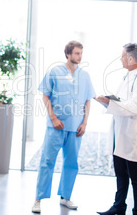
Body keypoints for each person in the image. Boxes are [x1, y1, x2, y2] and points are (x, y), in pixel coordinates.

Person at [32, 41, 95, 213]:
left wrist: (84, 123)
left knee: (72, 163)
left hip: (75, 128)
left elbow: (88, 100)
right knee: (47, 161)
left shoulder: (85, 76)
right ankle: (38, 198)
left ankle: (65, 197)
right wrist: (53, 118)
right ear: (67, 54)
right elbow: (45, 96)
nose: (79, 56)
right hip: (56, 126)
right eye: (76, 53)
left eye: (81, 53)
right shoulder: (55, 72)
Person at [95, 43, 137, 215]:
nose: (120, 59)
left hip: (132, 134)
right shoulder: (127, 76)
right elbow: (122, 101)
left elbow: (135, 107)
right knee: (120, 173)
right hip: (120, 133)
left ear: (131, 58)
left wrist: (110, 103)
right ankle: (119, 206)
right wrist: (108, 101)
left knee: (135, 177)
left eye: (122, 56)